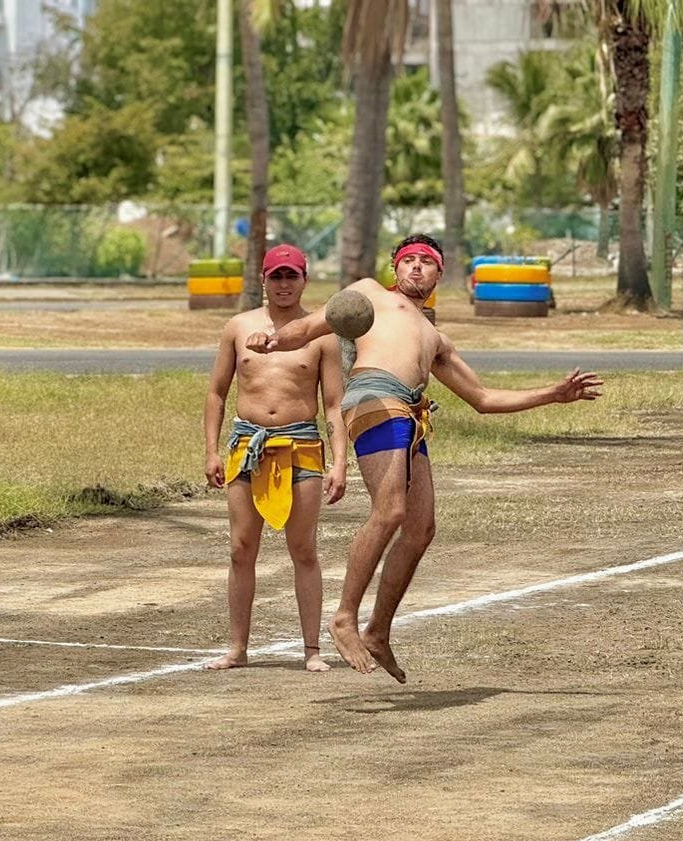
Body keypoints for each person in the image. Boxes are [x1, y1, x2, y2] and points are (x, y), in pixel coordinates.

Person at [249, 234, 601, 680]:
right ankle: (344, 616)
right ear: (394, 269)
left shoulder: (434, 336)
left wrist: (551, 395)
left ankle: (378, 629)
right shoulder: (370, 295)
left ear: (440, 274)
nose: (416, 268)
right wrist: (274, 340)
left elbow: (484, 397)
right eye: (408, 261)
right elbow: (312, 326)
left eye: (426, 262)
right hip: (375, 396)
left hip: (410, 412)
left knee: (420, 528)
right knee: (391, 509)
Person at [204, 245, 348, 671]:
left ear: (304, 279)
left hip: (301, 445)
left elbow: (335, 404)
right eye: (276, 277)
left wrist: (340, 462)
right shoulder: (238, 326)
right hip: (248, 445)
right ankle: (237, 648)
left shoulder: (321, 334)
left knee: (303, 548)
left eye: (292, 276)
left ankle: (312, 650)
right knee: (240, 548)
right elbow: (216, 391)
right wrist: (211, 450)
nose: (284, 284)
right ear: (264, 281)